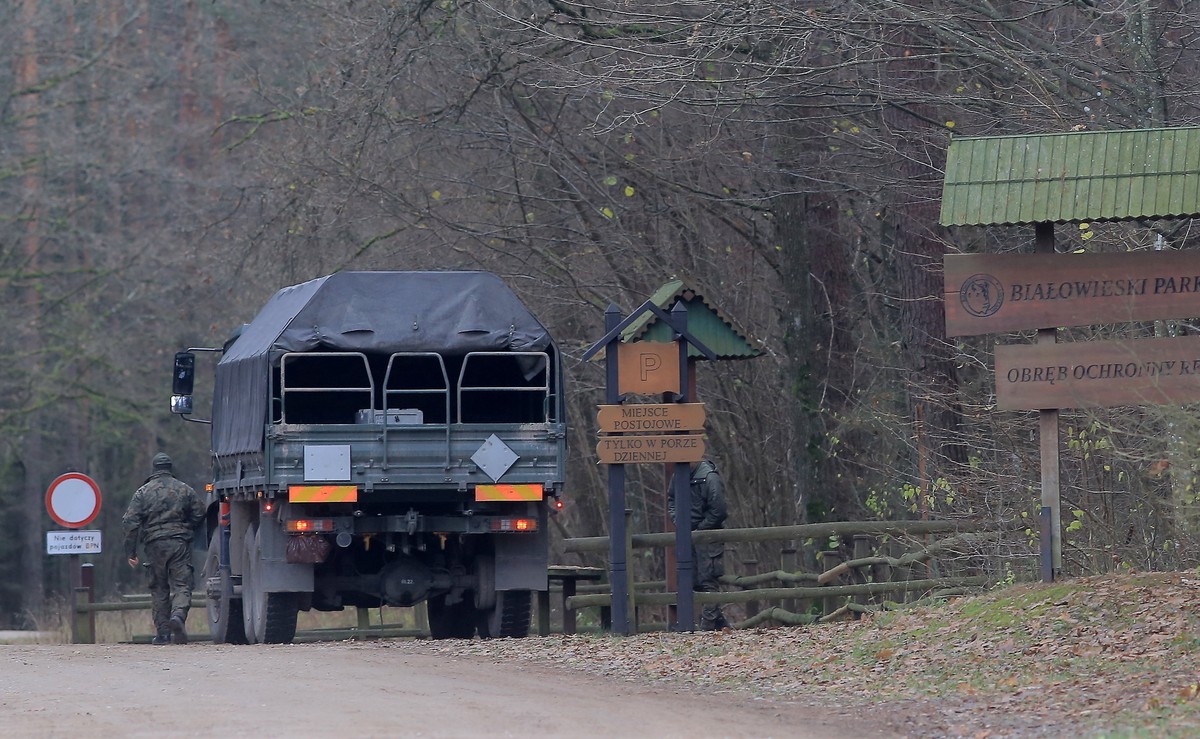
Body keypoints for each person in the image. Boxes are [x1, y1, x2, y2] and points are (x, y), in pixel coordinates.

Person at [122, 452, 206, 645]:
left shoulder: (143, 492)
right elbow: (200, 512)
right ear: (170, 468)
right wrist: (187, 528)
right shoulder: (184, 489)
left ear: (154, 469)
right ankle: (178, 615)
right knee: (182, 585)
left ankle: (163, 634)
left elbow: (130, 521)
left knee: (159, 588)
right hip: (179, 543)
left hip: (154, 545)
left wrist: (131, 552)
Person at [669, 458, 730, 631]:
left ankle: (708, 625)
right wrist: (679, 522)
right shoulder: (679, 475)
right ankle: (718, 622)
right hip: (689, 537)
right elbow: (671, 499)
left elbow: (719, 510)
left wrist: (700, 530)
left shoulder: (709, 477)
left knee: (708, 580)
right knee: (693, 580)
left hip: (708, 537)